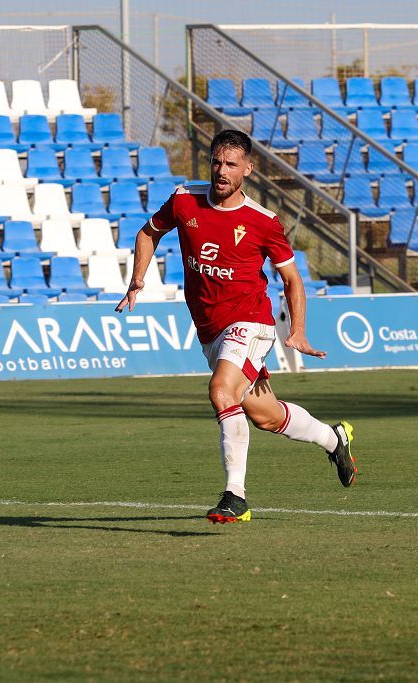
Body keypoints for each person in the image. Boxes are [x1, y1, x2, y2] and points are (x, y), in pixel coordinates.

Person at [116, 129, 356, 525]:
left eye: (231, 164)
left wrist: (296, 330)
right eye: (216, 162)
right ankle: (335, 440)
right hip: (210, 330)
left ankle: (236, 496)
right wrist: (138, 278)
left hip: (251, 323)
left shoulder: (263, 222)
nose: (221, 171)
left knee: (220, 390)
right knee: (264, 415)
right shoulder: (184, 200)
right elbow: (148, 232)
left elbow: (292, 279)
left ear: (248, 168)